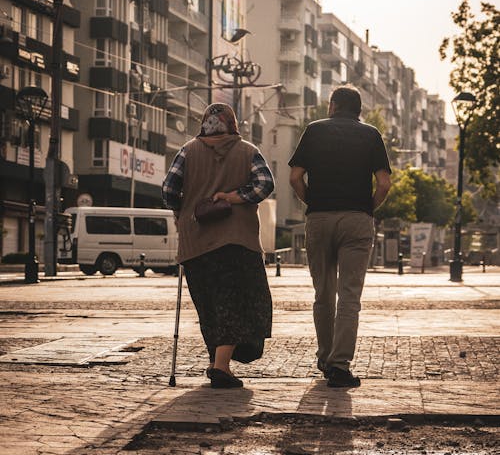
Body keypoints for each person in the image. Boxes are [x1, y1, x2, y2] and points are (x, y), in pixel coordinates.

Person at [162, 102, 274, 389]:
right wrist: (233, 197)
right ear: (233, 124)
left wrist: (182, 212)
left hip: (196, 241)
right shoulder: (249, 150)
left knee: (209, 303)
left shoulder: (187, 150)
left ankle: (216, 363)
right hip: (238, 240)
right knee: (234, 302)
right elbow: (264, 185)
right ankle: (221, 366)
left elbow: (169, 190)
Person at [289, 85, 392, 388]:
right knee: (349, 296)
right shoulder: (371, 134)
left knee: (323, 294)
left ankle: (324, 357)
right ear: (359, 109)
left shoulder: (314, 130)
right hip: (357, 221)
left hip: (319, 218)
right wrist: (366, 209)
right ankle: (339, 365)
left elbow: (295, 177)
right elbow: (384, 184)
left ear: (332, 106)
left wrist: (313, 202)